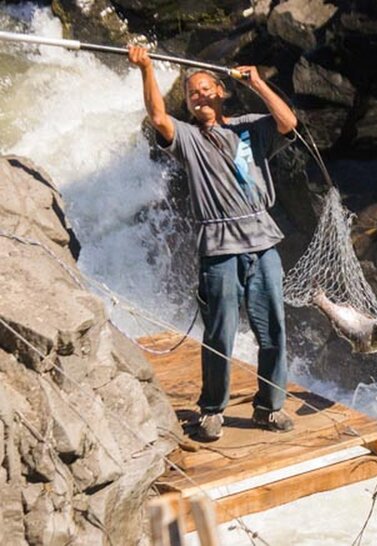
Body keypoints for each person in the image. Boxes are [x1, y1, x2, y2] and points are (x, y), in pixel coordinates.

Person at [128, 46, 298, 441]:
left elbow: (288, 122)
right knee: (220, 333)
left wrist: (256, 82)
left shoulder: (249, 128)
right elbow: (157, 116)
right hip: (220, 249)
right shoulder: (188, 138)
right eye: (192, 94)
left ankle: (269, 408)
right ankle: (211, 410)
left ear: (221, 91)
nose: (199, 96)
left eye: (206, 89)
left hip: (263, 244)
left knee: (272, 329)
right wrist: (147, 69)